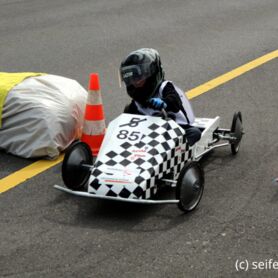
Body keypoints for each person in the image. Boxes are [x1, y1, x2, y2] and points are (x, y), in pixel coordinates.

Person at [119, 48, 201, 146]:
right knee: (127, 112)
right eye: (130, 79)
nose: (134, 83)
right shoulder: (136, 102)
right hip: (152, 131)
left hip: (177, 128)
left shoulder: (165, 87)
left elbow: (175, 101)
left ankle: (179, 151)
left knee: (194, 133)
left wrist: (165, 102)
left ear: (151, 74)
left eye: (138, 78)